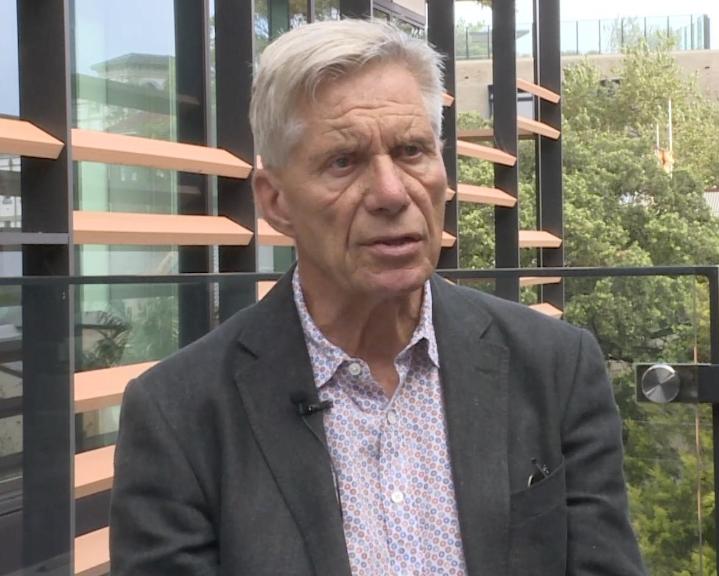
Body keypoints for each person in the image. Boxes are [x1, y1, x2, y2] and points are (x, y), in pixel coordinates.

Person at [109, 19, 646, 576]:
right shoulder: (180, 415)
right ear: (276, 202)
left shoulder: (555, 368)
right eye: (343, 161)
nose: (391, 193)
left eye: (412, 151)